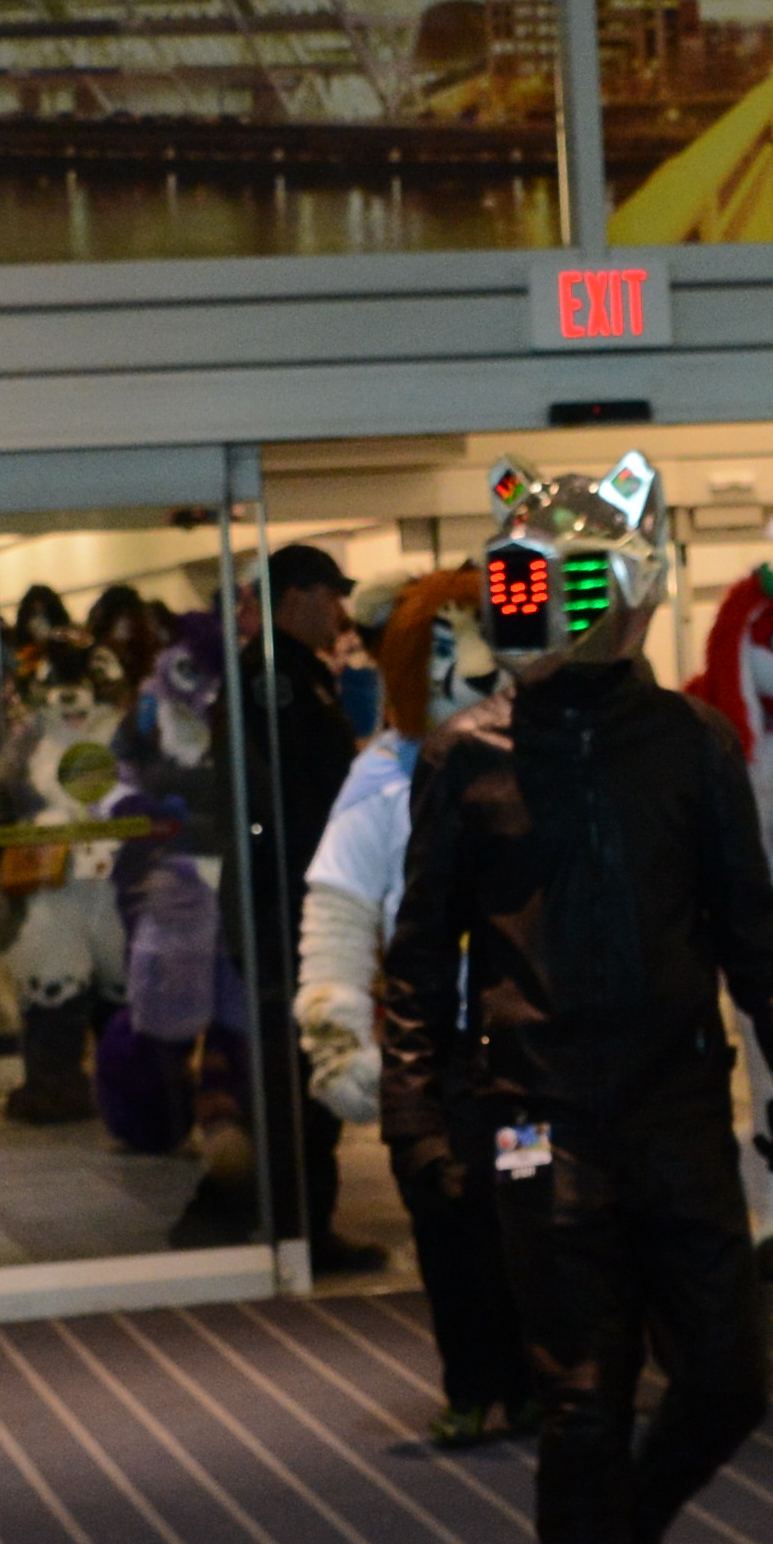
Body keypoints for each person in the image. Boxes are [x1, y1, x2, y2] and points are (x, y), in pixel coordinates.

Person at [374, 456, 773, 1544]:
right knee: (581, 1395)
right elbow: (421, 955)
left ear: (628, 593)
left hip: (674, 1103)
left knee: (728, 1379)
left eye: (565, 586)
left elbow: (749, 927)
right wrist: (416, 1112)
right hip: (538, 1112)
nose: (537, 610)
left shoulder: (692, 746)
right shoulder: (464, 757)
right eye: (521, 586)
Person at [305, 565, 537, 1443]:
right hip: (431, 1053)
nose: (474, 668)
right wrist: (335, 1029)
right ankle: (473, 1380)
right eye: (447, 649)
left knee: (532, 1205)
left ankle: (540, 1377)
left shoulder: (543, 759)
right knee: (446, 1216)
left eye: (487, 643)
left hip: (529, 1053)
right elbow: (339, 905)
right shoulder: (382, 781)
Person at [193, 537, 387, 1273]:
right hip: (286, 900)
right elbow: (292, 801)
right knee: (296, 1072)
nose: (339, 612)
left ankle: (298, 1222)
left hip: (283, 895)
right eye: (331, 596)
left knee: (293, 1069)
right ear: (298, 597)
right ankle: (298, 1227)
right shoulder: (274, 680)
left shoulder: (291, 674)